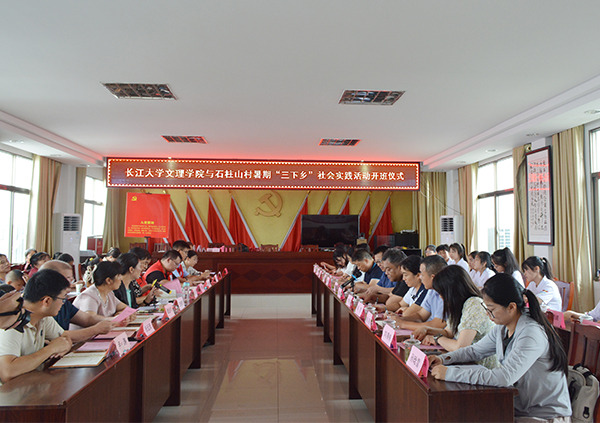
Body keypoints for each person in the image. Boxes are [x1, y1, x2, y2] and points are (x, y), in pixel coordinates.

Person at [429, 274, 572, 421]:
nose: (488, 314)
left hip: (543, 417)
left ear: (511, 307)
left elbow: (505, 377)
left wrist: (450, 374)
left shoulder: (531, 333)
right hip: (518, 409)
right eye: (486, 308)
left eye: (491, 309)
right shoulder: (503, 328)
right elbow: (475, 351)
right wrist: (443, 359)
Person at [413, 266, 498, 369]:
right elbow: (448, 332)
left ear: (452, 291)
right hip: (465, 363)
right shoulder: (460, 305)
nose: (440, 297)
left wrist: (437, 338)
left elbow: (461, 347)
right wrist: (427, 330)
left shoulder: (474, 304)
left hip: (481, 367)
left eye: (442, 293)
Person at [0, 269, 73, 385]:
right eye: (63, 299)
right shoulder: (11, 321)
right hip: (10, 393)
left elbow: (65, 338)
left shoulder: (43, 316)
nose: (63, 303)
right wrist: (51, 349)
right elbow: (7, 373)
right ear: (47, 301)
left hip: (30, 384)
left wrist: (62, 345)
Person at [40, 260, 117, 337]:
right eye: (68, 278)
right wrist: (96, 329)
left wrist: (114, 320)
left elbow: (87, 319)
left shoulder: (63, 302)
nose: (71, 282)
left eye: (72, 278)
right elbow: (61, 336)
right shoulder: (44, 306)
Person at [389, 255, 447, 331]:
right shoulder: (432, 291)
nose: (420, 277)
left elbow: (436, 324)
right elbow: (421, 315)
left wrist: (403, 324)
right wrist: (399, 319)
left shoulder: (446, 294)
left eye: (422, 275)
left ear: (432, 277)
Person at [72, 261, 129, 327]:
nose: (121, 279)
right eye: (118, 276)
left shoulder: (109, 293)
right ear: (108, 280)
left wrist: (119, 315)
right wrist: (113, 319)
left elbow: (124, 308)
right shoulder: (89, 296)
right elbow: (89, 318)